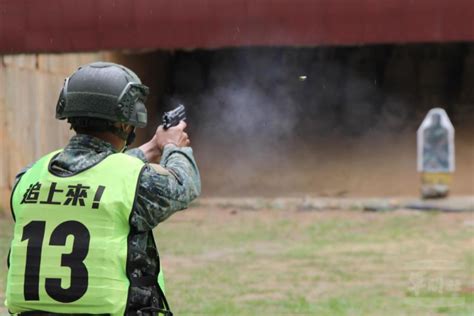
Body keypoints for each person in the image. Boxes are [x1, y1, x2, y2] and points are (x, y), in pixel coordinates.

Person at [5, 62, 201, 315]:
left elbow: (96, 171)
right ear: (126, 123)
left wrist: (152, 147)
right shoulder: (133, 183)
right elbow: (185, 184)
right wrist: (175, 147)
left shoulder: (29, 176)